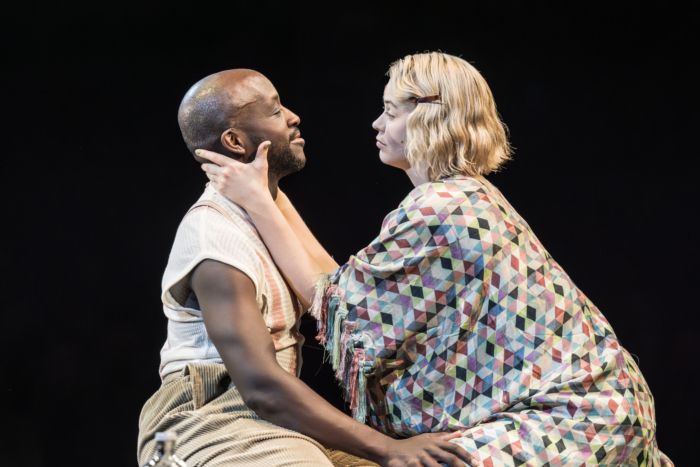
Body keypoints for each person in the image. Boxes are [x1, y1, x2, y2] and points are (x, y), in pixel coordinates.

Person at [198, 53, 673, 465]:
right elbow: (341, 288)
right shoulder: (464, 195)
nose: (376, 124)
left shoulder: (439, 208)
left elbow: (337, 308)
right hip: (599, 407)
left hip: (572, 419)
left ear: (428, 118)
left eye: (390, 111)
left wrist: (258, 200)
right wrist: (268, 195)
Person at [137, 68, 470, 467]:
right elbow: (260, 385)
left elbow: (336, 297)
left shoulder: (263, 211)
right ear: (235, 141)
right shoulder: (214, 234)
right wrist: (388, 448)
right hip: (202, 419)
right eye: (275, 110)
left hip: (266, 420)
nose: (294, 117)